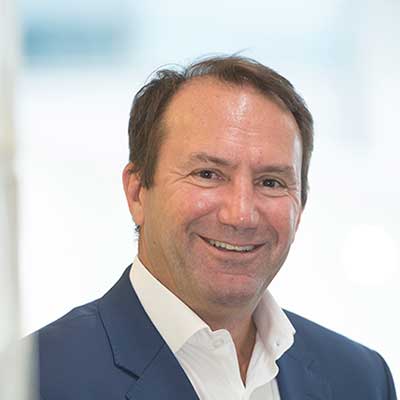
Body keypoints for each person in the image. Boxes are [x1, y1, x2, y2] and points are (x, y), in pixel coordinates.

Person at [36, 56, 397, 399]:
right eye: (208, 174)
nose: (240, 215)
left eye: (271, 182)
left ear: (300, 206)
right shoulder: (35, 379)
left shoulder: (361, 380)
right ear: (137, 192)